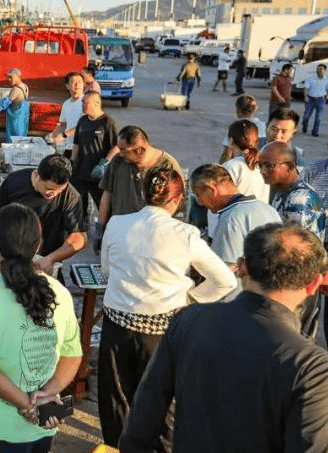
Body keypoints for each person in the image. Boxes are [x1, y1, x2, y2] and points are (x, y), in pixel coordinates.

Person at [119, 223, 328, 453]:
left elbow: (142, 422)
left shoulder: (189, 321)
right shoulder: (311, 366)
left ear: (241, 268)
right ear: (313, 284)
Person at [98, 166, 236, 449]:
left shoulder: (116, 223)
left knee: (117, 399)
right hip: (162, 331)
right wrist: (191, 300)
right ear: (178, 199)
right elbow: (225, 280)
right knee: (162, 402)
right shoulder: (185, 234)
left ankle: (116, 448)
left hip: (117, 325)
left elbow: (106, 270)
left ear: (143, 193)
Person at [0, 204, 83, 453]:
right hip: (38, 428)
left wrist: (27, 405)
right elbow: (72, 354)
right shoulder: (59, 293)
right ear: (38, 244)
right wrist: (46, 396)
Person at [0, 155, 85, 276]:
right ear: (36, 175)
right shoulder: (15, 180)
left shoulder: (71, 196)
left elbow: (80, 237)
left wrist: (51, 259)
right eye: (48, 188)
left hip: (44, 260)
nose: (53, 193)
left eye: (60, 190)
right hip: (10, 255)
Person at [260, 140, 325, 338]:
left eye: (268, 166)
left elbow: (301, 251)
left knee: (292, 340)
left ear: (289, 166)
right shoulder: (283, 191)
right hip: (289, 281)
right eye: (260, 165)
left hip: (298, 284)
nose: (262, 171)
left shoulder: (299, 200)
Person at [97, 126, 182, 248]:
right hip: (120, 235)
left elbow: (176, 203)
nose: (119, 154)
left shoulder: (168, 166)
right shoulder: (117, 162)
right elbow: (107, 195)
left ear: (140, 150)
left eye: (123, 150)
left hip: (151, 239)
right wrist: (100, 228)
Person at [190, 164, 280, 274]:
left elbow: (226, 275)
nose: (200, 202)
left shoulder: (231, 218)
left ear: (211, 189)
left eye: (198, 195)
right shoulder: (268, 209)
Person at [70, 91, 119, 224]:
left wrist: (104, 163)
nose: (82, 105)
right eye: (82, 102)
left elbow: (116, 146)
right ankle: (80, 227)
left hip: (98, 174)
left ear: (96, 103)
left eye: (85, 102)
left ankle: (105, 229)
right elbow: (76, 144)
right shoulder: (82, 121)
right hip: (80, 172)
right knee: (78, 203)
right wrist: (71, 163)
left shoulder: (107, 122)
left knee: (102, 204)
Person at [47, 71, 85, 157]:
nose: (77, 84)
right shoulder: (66, 104)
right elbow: (63, 125)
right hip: (68, 146)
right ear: (67, 86)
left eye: (79, 81)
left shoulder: (86, 102)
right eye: (73, 82)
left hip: (82, 147)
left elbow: (84, 125)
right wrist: (52, 135)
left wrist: (63, 135)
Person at [218, 94, 265, 163]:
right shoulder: (263, 126)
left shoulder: (236, 127)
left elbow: (227, 153)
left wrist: (221, 167)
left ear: (238, 110)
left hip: (239, 163)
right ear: (254, 109)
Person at [0, 67, 30, 142]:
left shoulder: (16, 90)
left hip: (16, 121)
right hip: (22, 119)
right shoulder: (25, 87)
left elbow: (4, 104)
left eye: (11, 77)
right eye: (8, 77)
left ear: (18, 77)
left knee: (13, 141)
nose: (9, 79)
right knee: (20, 140)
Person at [302, 63, 328, 137]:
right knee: (306, 116)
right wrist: (305, 97)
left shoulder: (326, 79)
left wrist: (327, 96)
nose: (318, 70)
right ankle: (305, 124)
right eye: (318, 68)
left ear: (325, 70)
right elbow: (305, 88)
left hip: (320, 99)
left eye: (321, 69)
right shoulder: (310, 77)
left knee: (318, 117)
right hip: (311, 98)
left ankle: (315, 131)